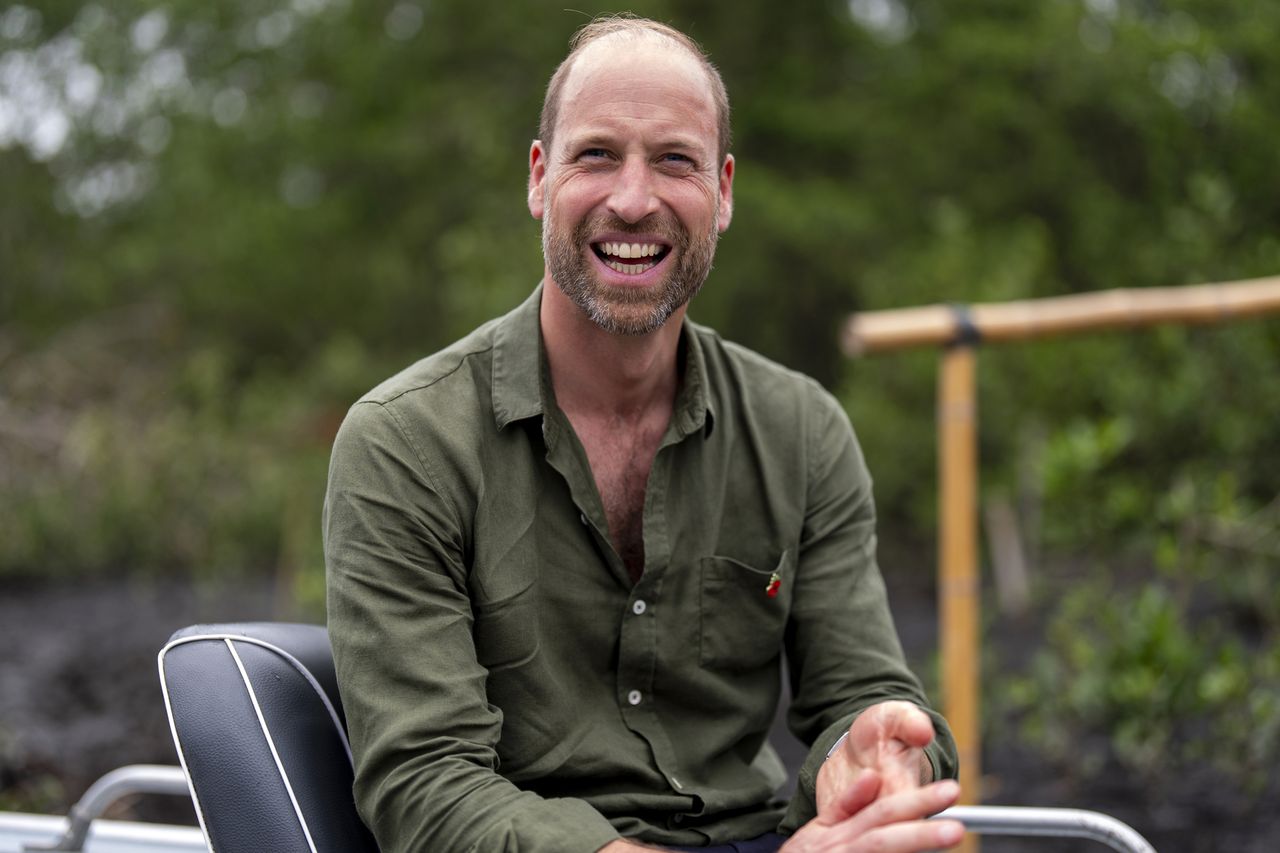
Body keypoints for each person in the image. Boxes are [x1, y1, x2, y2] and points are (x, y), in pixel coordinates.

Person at [324, 15, 963, 853]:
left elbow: (866, 692)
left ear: (723, 192)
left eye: (674, 160)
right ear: (539, 178)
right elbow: (425, 786)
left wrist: (878, 757)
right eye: (596, 155)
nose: (633, 200)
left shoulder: (803, 431)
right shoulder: (403, 444)